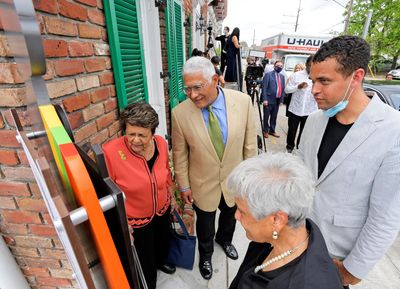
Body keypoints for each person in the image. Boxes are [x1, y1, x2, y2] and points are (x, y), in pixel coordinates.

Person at [299, 35, 400, 288]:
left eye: (324, 81)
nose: (314, 90)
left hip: (336, 260)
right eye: (312, 80)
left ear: (355, 77)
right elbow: (300, 173)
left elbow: (385, 216)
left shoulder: (393, 131)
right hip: (297, 245)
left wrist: (351, 271)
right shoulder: (314, 120)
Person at [172, 56, 257, 280]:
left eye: (197, 87)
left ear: (216, 80)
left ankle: (225, 240)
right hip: (202, 183)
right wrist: (183, 186)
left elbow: (250, 146)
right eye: (187, 89)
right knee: (205, 225)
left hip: (234, 181)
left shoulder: (243, 102)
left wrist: (249, 180)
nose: (192, 95)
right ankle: (206, 254)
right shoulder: (179, 114)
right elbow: (179, 154)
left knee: (230, 217)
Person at [227, 153, 343, 289]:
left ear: (277, 220)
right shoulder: (269, 239)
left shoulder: (305, 283)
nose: (236, 216)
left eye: (242, 211)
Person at [102, 102, 176, 289]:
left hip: (162, 208)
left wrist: (171, 196)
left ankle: (162, 261)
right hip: (136, 218)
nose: (135, 140)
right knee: (144, 259)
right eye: (130, 133)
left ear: (152, 133)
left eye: (142, 135)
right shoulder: (111, 152)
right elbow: (107, 193)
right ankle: (149, 283)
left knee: (162, 241)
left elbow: (166, 172)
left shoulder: (160, 143)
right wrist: (122, 221)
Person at [285, 57, 317, 153]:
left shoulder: (318, 76)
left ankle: (300, 149)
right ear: (306, 64)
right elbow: (287, 89)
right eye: (310, 65)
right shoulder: (296, 75)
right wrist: (297, 87)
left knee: (305, 132)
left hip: (310, 110)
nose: (311, 68)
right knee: (292, 131)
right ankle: (289, 148)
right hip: (295, 109)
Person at [261, 60, 285, 138]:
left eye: (281, 66)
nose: (279, 67)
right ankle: (265, 130)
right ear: (274, 66)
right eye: (278, 65)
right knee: (266, 116)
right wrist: (264, 99)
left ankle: (272, 130)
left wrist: (281, 100)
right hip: (268, 99)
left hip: (277, 100)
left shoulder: (282, 77)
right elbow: (264, 88)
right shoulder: (268, 75)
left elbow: (282, 89)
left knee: (274, 117)